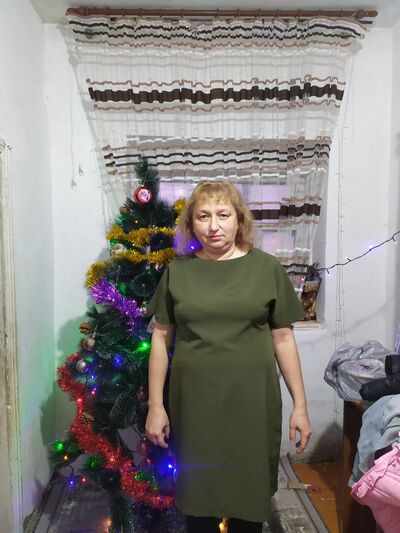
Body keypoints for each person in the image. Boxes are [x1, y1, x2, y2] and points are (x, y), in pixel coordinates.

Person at [145, 181, 312, 533]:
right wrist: (156, 406)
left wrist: (300, 405)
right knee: (199, 503)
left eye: (223, 215)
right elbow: (160, 338)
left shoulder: (266, 268)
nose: (213, 226)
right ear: (191, 223)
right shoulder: (178, 272)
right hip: (195, 406)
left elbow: (283, 338)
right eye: (203, 216)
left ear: (239, 219)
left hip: (252, 405)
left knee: (247, 503)